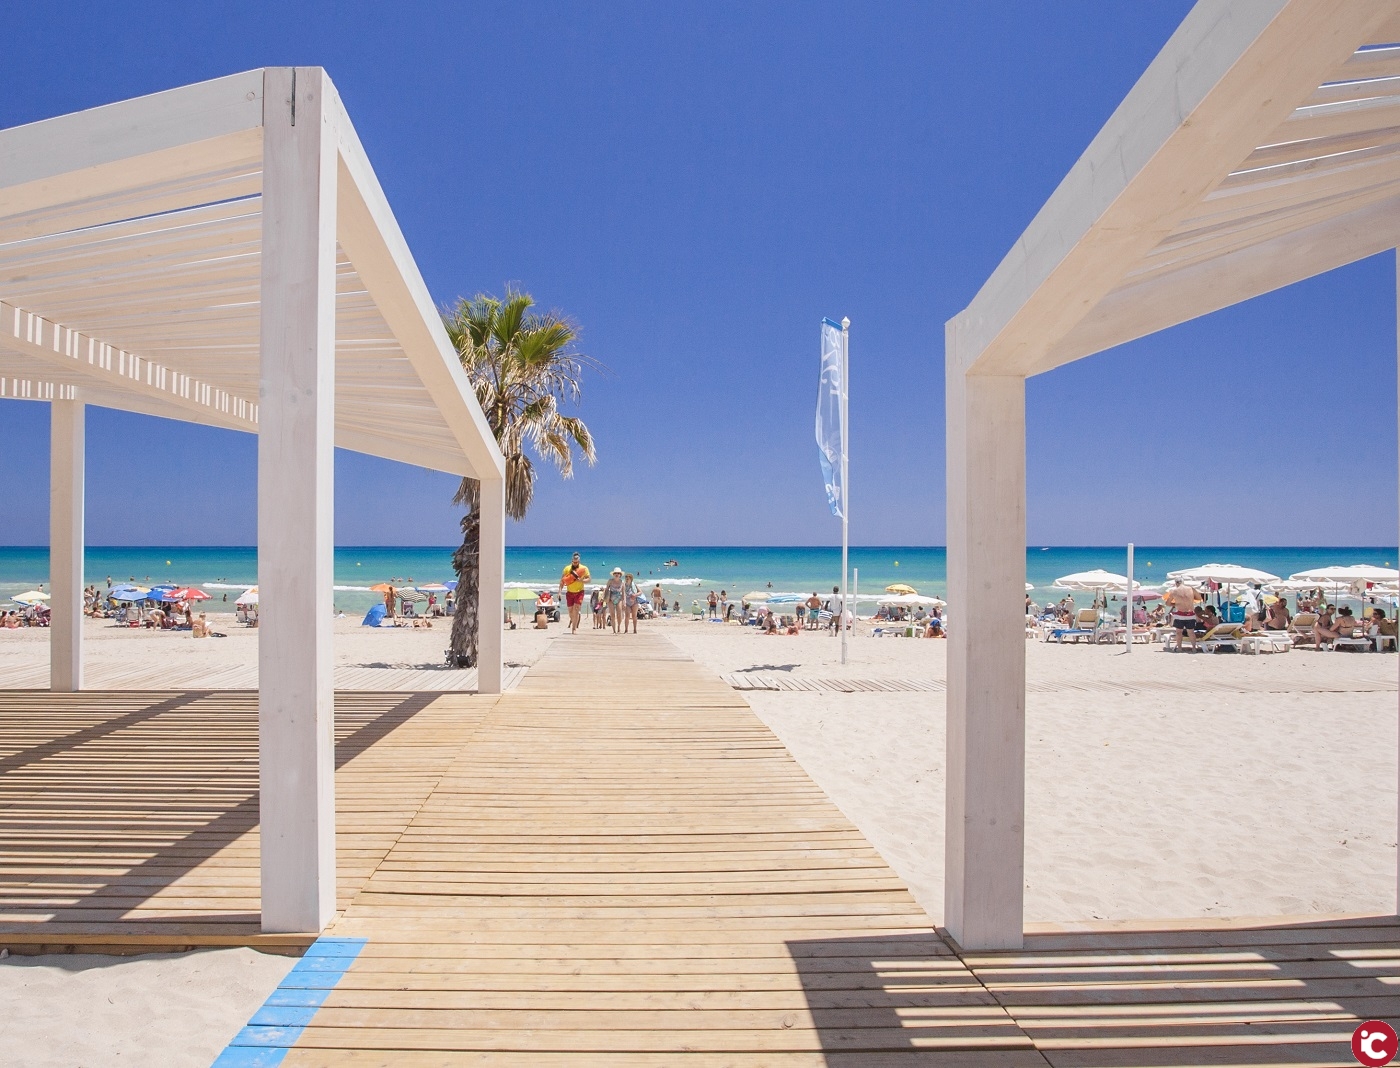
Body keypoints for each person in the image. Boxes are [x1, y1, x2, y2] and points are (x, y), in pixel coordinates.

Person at [1162, 579, 1199, 651]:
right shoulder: (1191, 589)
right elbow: (1199, 598)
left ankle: (1179, 648)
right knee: (1191, 632)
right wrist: (1189, 601)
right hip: (1190, 614)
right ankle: (1194, 648)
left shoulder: (1174, 591)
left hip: (1180, 614)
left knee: (1179, 632)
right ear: (1183, 582)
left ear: (1176, 583)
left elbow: (1167, 603)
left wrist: (1176, 604)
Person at [559, 552, 591, 634]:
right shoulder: (567, 569)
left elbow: (589, 579)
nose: (575, 563)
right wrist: (559, 592)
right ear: (572, 561)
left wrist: (582, 580)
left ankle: (574, 629)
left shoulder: (584, 568)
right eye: (574, 562)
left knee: (576, 609)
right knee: (570, 611)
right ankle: (574, 620)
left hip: (579, 592)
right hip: (569, 592)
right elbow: (562, 581)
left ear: (579, 561)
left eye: (577, 562)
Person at [606, 567, 625, 633]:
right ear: (613, 574)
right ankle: (614, 630)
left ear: (620, 575)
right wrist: (605, 598)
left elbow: (623, 592)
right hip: (610, 599)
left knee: (619, 614)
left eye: (618, 573)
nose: (617, 574)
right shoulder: (610, 581)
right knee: (612, 614)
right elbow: (606, 589)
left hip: (619, 599)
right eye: (615, 573)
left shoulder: (622, 582)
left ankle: (619, 626)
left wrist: (624, 602)